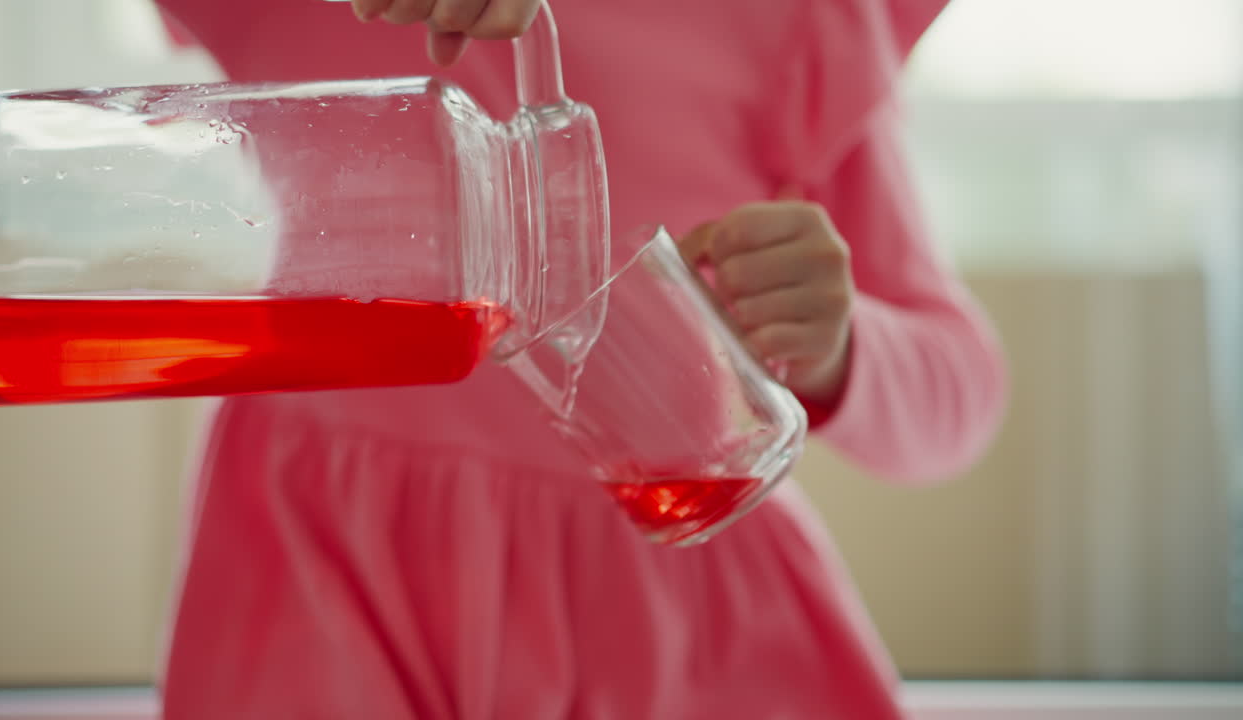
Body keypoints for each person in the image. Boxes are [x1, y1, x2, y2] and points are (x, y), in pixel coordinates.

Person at [154, 1, 1007, 717]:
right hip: (317, 578)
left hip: (666, 611)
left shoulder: (795, 19)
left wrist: (840, 344)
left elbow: (961, 391)